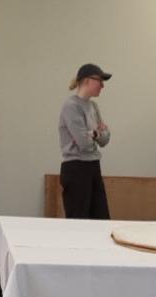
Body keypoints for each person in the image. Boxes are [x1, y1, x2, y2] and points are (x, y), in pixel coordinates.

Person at [58, 63, 113, 219]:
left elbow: (105, 139)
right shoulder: (71, 106)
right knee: (78, 220)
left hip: (93, 167)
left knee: (101, 219)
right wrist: (97, 132)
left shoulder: (93, 107)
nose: (102, 86)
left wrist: (93, 134)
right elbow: (84, 143)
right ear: (87, 80)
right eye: (100, 81)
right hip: (76, 168)